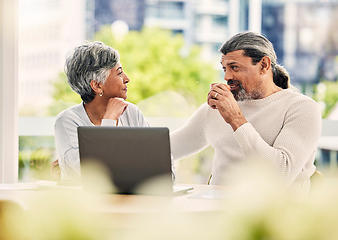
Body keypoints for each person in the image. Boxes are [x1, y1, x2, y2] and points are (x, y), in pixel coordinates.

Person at [170, 31, 322, 195]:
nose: (227, 76)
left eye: (234, 67)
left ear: (264, 65)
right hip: (216, 211)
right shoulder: (215, 109)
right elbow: (167, 150)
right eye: (224, 68)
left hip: (276, 215)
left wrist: (235, 119)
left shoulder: (301, 108)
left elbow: (280, 176)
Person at [54, 41, 150, 184]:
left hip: (131, 201)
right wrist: (109, 120)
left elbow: (162, 165)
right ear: (97, 85)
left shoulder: (131, 113)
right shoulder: (67, 121)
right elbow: (94, 177)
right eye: (119, 73)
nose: (127, 79)